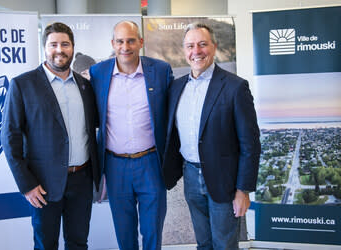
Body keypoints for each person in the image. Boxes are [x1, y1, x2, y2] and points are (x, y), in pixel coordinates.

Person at [1, 22, 100, 250]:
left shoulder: (85, 86)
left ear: (72, 47)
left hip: (82, 180)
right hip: (42, 185)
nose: (59, 49)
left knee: (78, 243)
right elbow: (10, 137)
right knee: (46, 245)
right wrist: (27, 185)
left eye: (65, 44)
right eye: (53, 44)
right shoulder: (23, 85)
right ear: (44, 48)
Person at [162, 23, 261, 250]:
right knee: (204, 243)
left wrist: (243, 190)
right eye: (190, 46)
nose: (196, 51)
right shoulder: (176, 88)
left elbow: (250, 144)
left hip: (224, 181)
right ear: (184, 51)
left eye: (202, 44)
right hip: (190, 176)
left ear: (214, 47)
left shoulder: (235, 87)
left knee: (224, 244)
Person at [89, 20, 173, 250]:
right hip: (115, 166)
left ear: (141, 42)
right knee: (124, 232)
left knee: (152, 230)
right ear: (113, 43)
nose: (125, 46)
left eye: (131, 41)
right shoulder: (98, 73)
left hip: (151, 163)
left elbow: (172, 114)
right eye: (120, 41)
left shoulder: (161, 71)